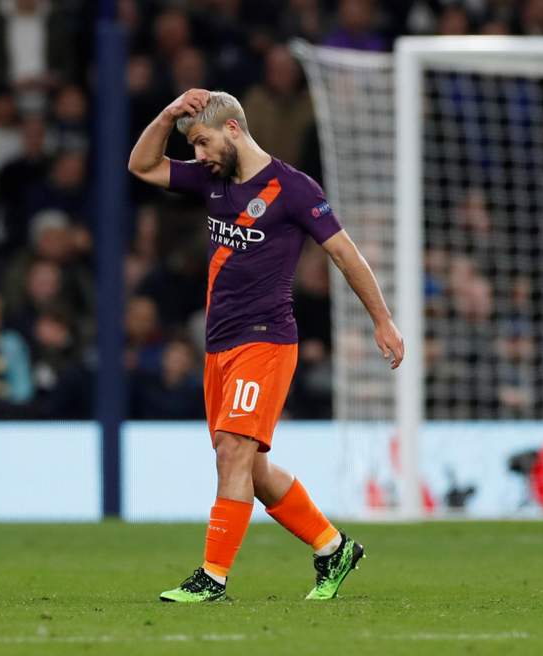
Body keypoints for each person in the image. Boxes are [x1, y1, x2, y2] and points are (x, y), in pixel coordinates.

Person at [128, 89, 403, 602]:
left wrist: (382, 319)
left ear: (233, 129)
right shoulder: (211, 179)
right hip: (219, 346)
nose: (199, 156)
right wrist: (168, 113)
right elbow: (142, 166)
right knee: (249, 467)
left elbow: (345, 254)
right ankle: (333, 547)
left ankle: (212, 577)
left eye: (203, 142)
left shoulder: (293, 189)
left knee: (233, 452)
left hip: (266, 340)